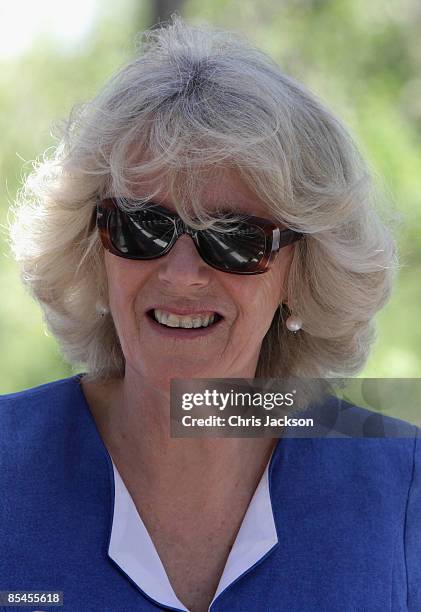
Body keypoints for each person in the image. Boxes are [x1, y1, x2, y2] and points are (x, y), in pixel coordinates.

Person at [1, 17, 420, 612]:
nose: (180, 275)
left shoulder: (403, 487)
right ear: (94, 247)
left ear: (299, 274)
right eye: (142, 227)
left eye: (234, 238)